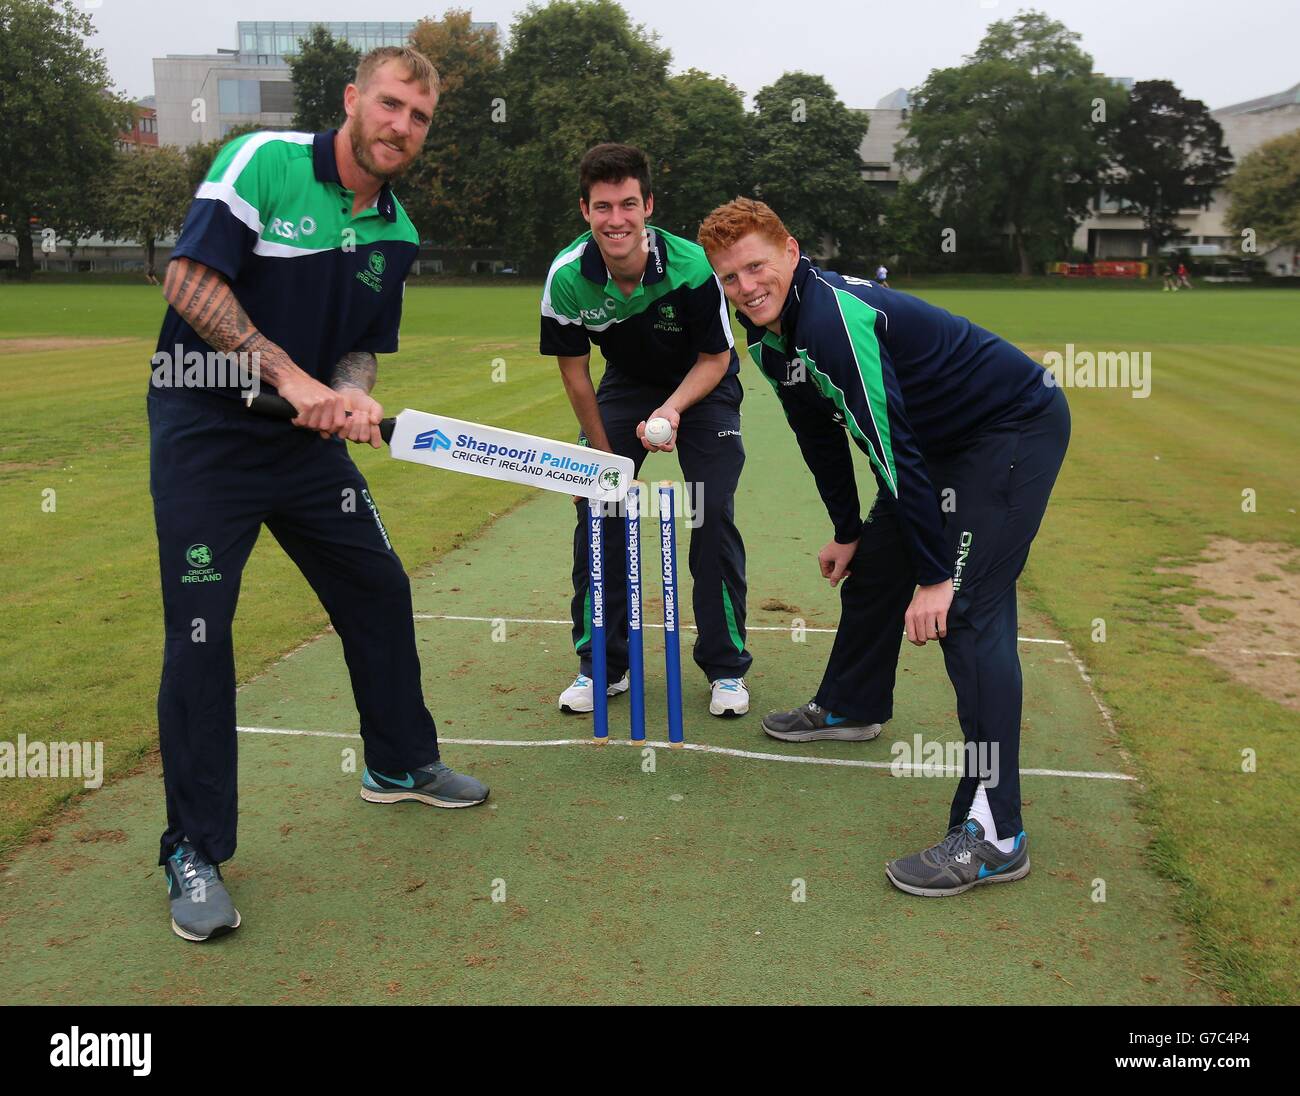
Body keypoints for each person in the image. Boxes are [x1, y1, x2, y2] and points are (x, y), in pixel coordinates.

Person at [148, 46, 488, 942]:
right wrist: (296, 379)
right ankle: (193, 849)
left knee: (377, 587)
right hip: (205, 437)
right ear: (352, 100)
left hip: (301, 452)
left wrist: (353, 390)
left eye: (418, 118)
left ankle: (401, 764)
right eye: (389, 106)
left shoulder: (397, 231)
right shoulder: (264, 162)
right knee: (199, 631)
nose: (400, 128)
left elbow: (361, 347)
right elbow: (185, 279)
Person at [698, 199, 1070, 897]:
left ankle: (996, 835)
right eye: (729, 278)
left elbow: (887, 442)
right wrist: (848, 531)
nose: (746, 287)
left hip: (1009, 429)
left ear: (791, 250)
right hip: (943, 446)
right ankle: (852, 704)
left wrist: (935, 576)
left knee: (968, 611)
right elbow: (820, 434)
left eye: (755, 266)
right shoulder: (770, 338)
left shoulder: (833, 319)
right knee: (871, 571)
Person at [540, 144, 753, 719]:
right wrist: (605, 461)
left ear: (648, 206)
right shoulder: (566, 278)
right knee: (597, 506)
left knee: (710, 510)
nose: (617, 220)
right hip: (626, 384)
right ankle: (602, 666)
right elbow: (576, 373)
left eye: (628, 205)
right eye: (603, 207)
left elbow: (714, 358)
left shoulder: (691, 266)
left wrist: (674, 410)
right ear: (585, 211)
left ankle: (726, 667)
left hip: (702, 386)